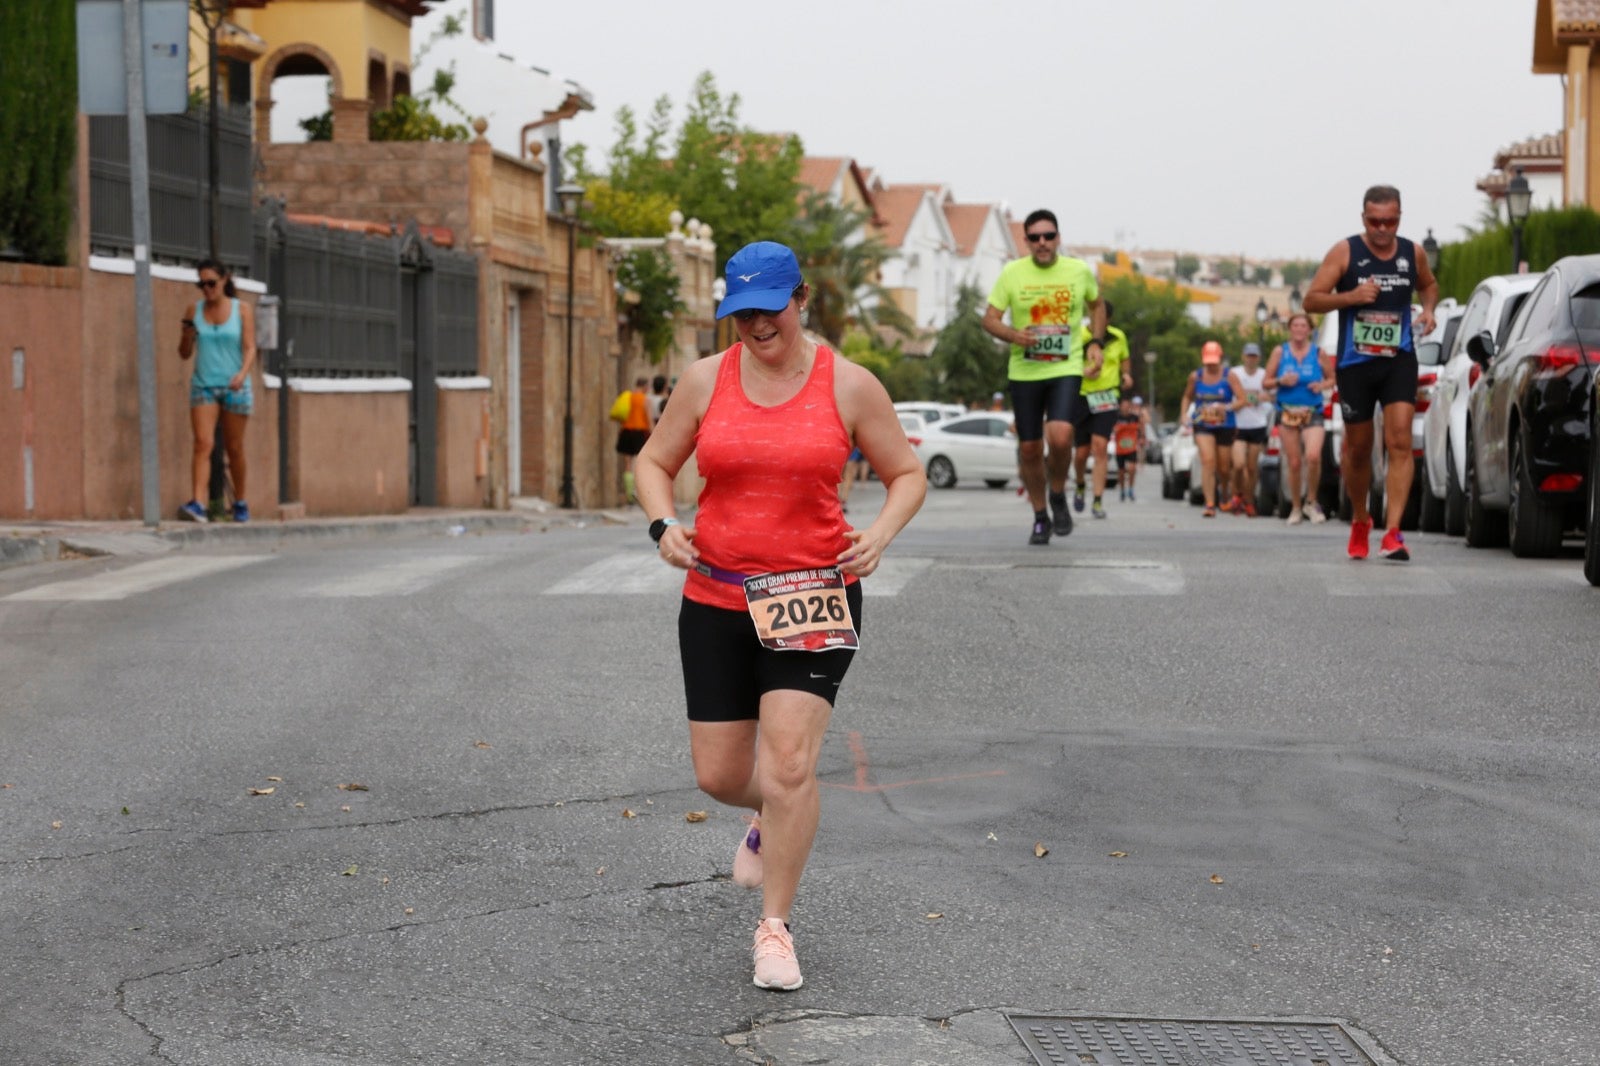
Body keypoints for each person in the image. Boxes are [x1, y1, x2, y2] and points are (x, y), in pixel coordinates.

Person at [634, 241, 926, 992]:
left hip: (814, 594)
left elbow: (906, 473)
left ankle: (774, 927)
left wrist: (880, 536)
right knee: (721, 774)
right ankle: (771, 815)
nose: (757, 325)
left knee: (792, 762)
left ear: (800, 299)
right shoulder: (705, 381)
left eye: (769, 308)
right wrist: (664, 526)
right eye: (741, 313)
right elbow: (653, 462)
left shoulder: (849, 386)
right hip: (716, 596)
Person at [1303, 184, 1438, 560]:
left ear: (1399, 218)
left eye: (1389, 221)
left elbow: (1428, 285)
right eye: (1375, 221)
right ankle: (1361, 518)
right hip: (1355, 364)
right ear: (1364, 218)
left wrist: (1428, 310)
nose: (1382, 229)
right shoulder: (1346, 251)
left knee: (1399, 441)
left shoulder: (1412, 252)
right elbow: (1311, 299)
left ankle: (1393, 532)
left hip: (1399, 359)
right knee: (1359, 450)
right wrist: (1352, 297)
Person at [983, 208, 1106, 544]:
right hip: (1025, 372)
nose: (1042, 242)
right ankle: (1040, 516)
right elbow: (990, 318)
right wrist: (1014, 336)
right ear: (1026, 242)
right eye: (1034, 237)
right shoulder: (1012, 273)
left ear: (1058, 238)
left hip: (1065, 366)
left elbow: (1097, 306)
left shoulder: (1078, 270)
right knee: (1030, 450)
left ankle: (1057, 494)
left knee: (1063, 437)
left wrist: (1096, 341)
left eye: (1048, 236)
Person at [177, 259, 256, 523]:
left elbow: (250, 347)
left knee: (234, 447)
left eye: (211, 283)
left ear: (224, 281)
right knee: (203, 443)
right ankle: (198, 503)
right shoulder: (194, 310)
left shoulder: (242, 310)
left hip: (235, 385)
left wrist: (242, 374)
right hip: (204, 384)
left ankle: (241, 501)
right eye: (202, 284)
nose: (207, 289)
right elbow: (184, 353)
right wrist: (187, 334)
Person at [1264, 312, 1330, 524]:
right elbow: (1266, 382)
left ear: (1310, 329)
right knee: (1293, 462)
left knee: (1313, 456)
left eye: (1303, 326)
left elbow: (1333, 377)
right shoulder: (1279, 352)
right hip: (1288, 412)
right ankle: (1296, 506)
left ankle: (1311, 501)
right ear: (1290, 329)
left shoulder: (1319, 353)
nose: (1299, 330)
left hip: (1313, 410)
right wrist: (1281, 380)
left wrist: (1321, 385)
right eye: (1295, 326)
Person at [1069, 299, 1132, 519]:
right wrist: (1084, 372)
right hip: (1082, 397)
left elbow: (1125, 361)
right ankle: (1079, 484)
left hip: (1107, 397)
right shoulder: (1078, 336)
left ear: (1108, 319)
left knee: (1101, 447)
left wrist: (1126, 376)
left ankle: (1097, 501)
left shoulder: (1118, 337)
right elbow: (1066, 364)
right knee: (1081, 453)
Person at [1178, 341, 1237, 518]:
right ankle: (1210, 503)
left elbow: (1242, 400)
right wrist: (1184, 415)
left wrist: (1226, 407)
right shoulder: (1195, 377)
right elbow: (1187, 397)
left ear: (1220, 358)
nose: (1211, 364)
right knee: (1208, 461)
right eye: (1208, 361)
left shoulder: (1229, 377)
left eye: (1214, 361)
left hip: (1225, 425)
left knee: (1224, 468)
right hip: (1203, 424)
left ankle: (1225, 494)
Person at [1228, 343, 1273, 517]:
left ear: (1259, 358)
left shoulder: (1263, 375)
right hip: (1239, 424)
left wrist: (1263, 397)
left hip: (1257, 424)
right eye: (1248, 355)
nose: (1251, 358)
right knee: (1238, 465)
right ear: (1243, 356)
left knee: (1252, 468)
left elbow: (1272, 395)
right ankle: (1236, 494)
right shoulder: (1235, 373)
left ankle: (1249, 500)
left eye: (1254, 355)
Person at [616, 376, 651, 502]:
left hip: (626, 430)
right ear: (644, 386)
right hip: (640, 431)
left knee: (627, 463)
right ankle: (637, 490)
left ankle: (628, 492)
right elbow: (648, 417)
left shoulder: (628, 397)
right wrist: (652, 432)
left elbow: (623, 414)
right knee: (640, 462)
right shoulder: (644, 399)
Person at [1112, 397, 1143, 502]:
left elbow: (1141, 427)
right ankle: (1122, 490)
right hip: (1120, 449)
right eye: (1123, 406)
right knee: (1121, 471)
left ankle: (1131, 489)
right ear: (1120, 407)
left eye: (1127, 406)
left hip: (1131, 448)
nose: (1125, 408)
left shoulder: (1134, 418)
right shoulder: (1116, 417)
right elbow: (1113, 430)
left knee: (1131, 469)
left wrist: (1142, 437)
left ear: (1129, 407)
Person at [837, 447, 870, 514]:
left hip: (839, 446)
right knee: (848, 475)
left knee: (839, 474)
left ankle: (838, 499)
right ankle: (844, 501)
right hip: (851, 449)